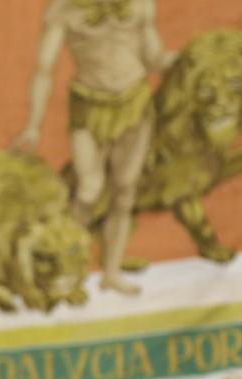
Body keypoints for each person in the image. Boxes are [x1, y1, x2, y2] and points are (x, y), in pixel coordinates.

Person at [12, 0, 174, 295]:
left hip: (135, 102)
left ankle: (110, 272)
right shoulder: (63, 10)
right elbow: (43, 69)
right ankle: (63, 260)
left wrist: (176, 61)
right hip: (89, 104)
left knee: (125, 189)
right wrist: (33, 125)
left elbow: (152, 58)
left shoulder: (140, 4)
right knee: (89, 188)